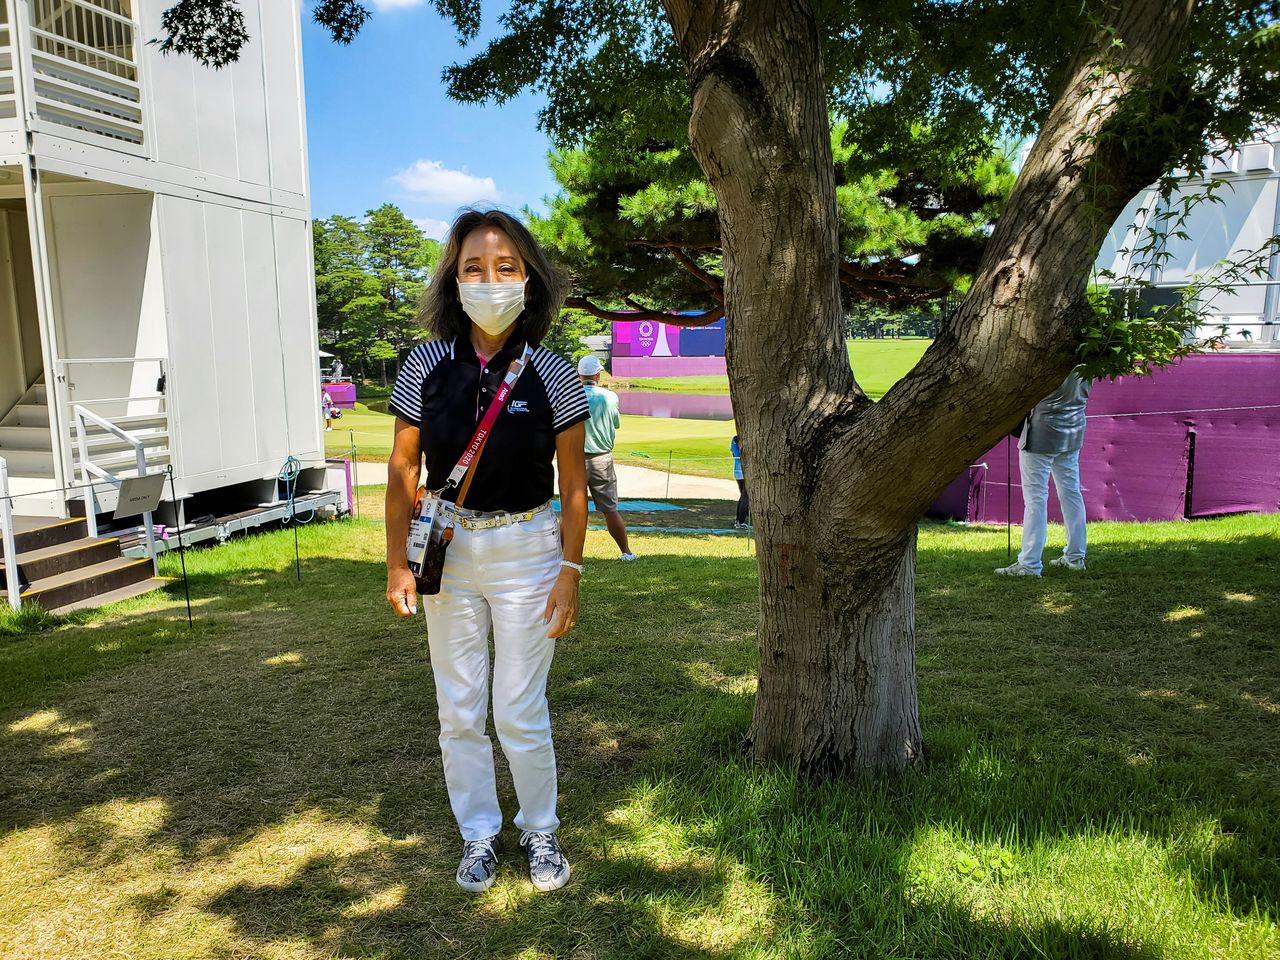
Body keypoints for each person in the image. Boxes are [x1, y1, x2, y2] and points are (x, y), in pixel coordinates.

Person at [384, 209, 589, 894]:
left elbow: (576, 487)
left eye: (505, 268)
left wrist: (570, 571)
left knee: (517, 708)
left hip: (531, 550)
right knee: (460, 708)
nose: (490, 280)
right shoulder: (425, 366)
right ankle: (479, 834)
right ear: (454, 279)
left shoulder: (555, 374)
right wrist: (395, 564)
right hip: (449, 553)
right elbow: (401, 472)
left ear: (529, 279)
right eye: (474, 268)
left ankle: (540, 829)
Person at [996, 369, 1092, 577]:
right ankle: (1075, 558)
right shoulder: (1092, 358)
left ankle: (1029, 564)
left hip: (1041, 433)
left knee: (1036, 500)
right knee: (1071, 494)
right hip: (1072, 433)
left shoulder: (1051, 360)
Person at [577, 354, 636, 560]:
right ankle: (626, 552)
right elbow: (616, 424)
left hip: (575, 459)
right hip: (602, 458)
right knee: (610, 509)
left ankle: (562, 555)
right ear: (598, 374)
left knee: (571, 509)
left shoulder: (571, 395)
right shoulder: (610, 397)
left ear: (579, 374)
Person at [730, 434, 749, 529]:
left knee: (742, 496)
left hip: (737, 471)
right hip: (744, 471)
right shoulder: (745, 439)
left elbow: (733, 453)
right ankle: (741, 522)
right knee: (746, 496)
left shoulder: (734, 439)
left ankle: (738, 520)